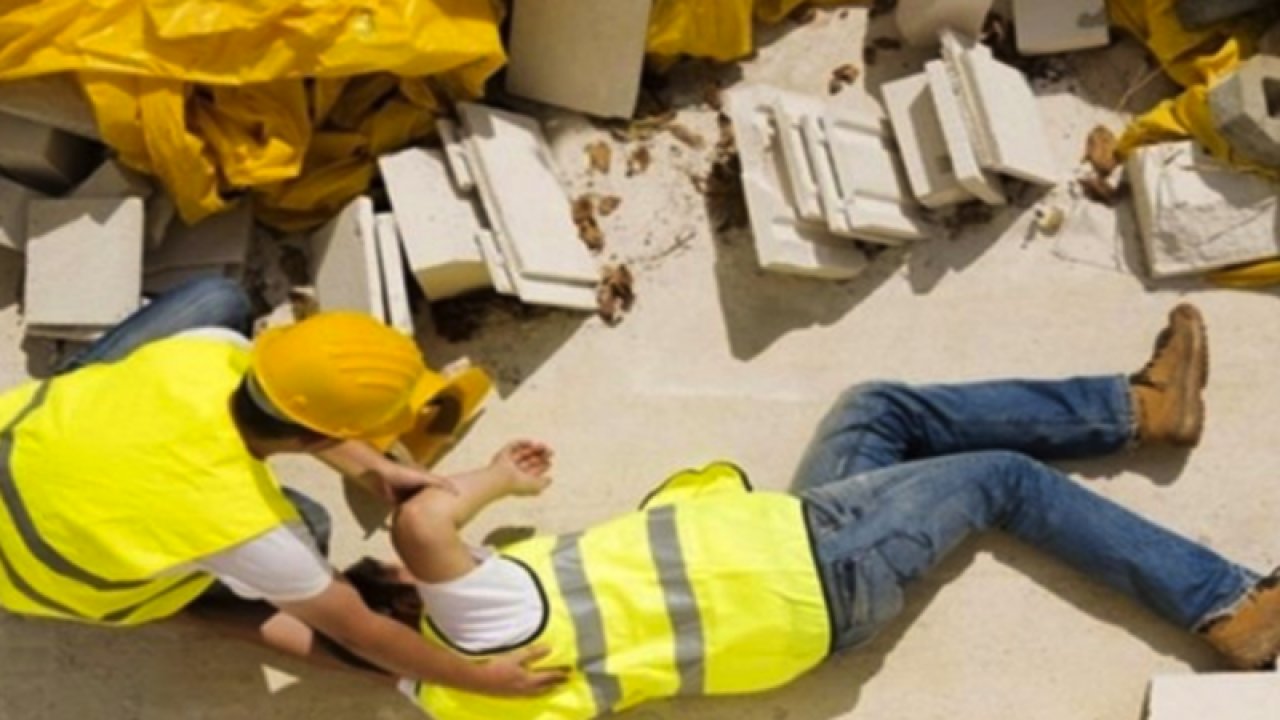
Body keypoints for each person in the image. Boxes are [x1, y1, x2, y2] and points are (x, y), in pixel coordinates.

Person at [314, 303, 1280, 719]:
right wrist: (494, 477)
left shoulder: (445, 698)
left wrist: (227, 602)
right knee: (1001, 479)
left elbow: (307, 638)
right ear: (408, 599)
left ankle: (1141, 409)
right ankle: (1226, 605)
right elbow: (423, 526)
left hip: (790, 584)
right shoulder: (482, 620)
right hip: (809, 566)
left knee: (877, 410)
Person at [0, 276, 564, 697]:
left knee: (219, 297)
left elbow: (293, 411)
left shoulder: (203, 351)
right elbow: (362, 632)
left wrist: (377, 470)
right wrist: (479, 679)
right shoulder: (249, 527)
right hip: (43, 579)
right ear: (321, 436)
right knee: (312, 529)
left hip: (29, 445)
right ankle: (176, 606)